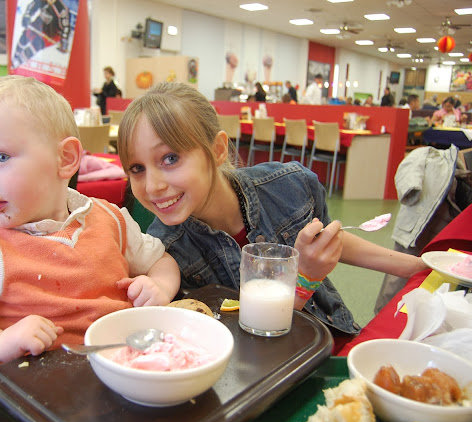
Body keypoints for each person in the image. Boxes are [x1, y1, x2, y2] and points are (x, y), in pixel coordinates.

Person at [0, 76, 180, 383]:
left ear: (65, 158)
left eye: (0, 158)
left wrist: (159, 286)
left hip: (130, 374)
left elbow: (161, 260)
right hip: (41, 393)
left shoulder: (110, 219)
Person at [116, 82, 426, 337]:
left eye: (170, 158)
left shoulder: (288, 186)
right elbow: (245, 346)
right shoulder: (165, 255)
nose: (152, 186)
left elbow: (329, 242)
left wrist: (417, 267)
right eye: (137, 168)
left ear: (218, 150)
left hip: (337, 334)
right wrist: (304, 279)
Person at [11, 0, 71, 69]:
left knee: (35, 45)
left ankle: (18, 62)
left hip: (52, 33)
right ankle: (15, 56)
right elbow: (31, 6)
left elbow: (66, 27)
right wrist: (27, 16)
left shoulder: (61, 9)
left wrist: (64, 40)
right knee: (24, 37)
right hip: (39, 23)